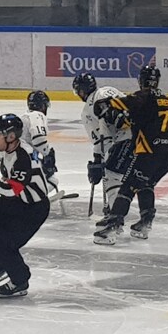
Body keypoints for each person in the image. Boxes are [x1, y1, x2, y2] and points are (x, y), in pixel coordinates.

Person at [0, 114, 51, 299]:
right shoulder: (5, 150)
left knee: (5, 244)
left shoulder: (24, 157)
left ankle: (20, 280)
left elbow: (11, 190)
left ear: (11, 136)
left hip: (33, 208)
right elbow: (9, 183)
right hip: (16, 200)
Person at [92, 65, 168, 244]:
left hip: (151, 151)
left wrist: (104, 106)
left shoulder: (143, 96)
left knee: (128, 186)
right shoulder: (165, 99)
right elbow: (142, 118)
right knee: (145, 184)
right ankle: (145, 223)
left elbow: (115, 103)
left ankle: (112, 226)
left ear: (141, 80)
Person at [0, 90, 60, 216]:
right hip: (19, 158)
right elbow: (39, 139)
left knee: (14, 185)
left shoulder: (24, 117)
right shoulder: (38, 116)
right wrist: (48, 154)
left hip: (8, 157)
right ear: (43, 106)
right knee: (51, 180)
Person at [73, 72, 133, 225]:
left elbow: (101, 140)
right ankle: (143, 218)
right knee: (138, 179)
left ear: (81, 91)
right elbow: (101, 140)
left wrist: (99, 160)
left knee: (112, 176)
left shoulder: (88, 110)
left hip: (126, 139)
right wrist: (97, 160)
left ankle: (115, 218)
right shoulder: (107, 90)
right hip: (141, 137)